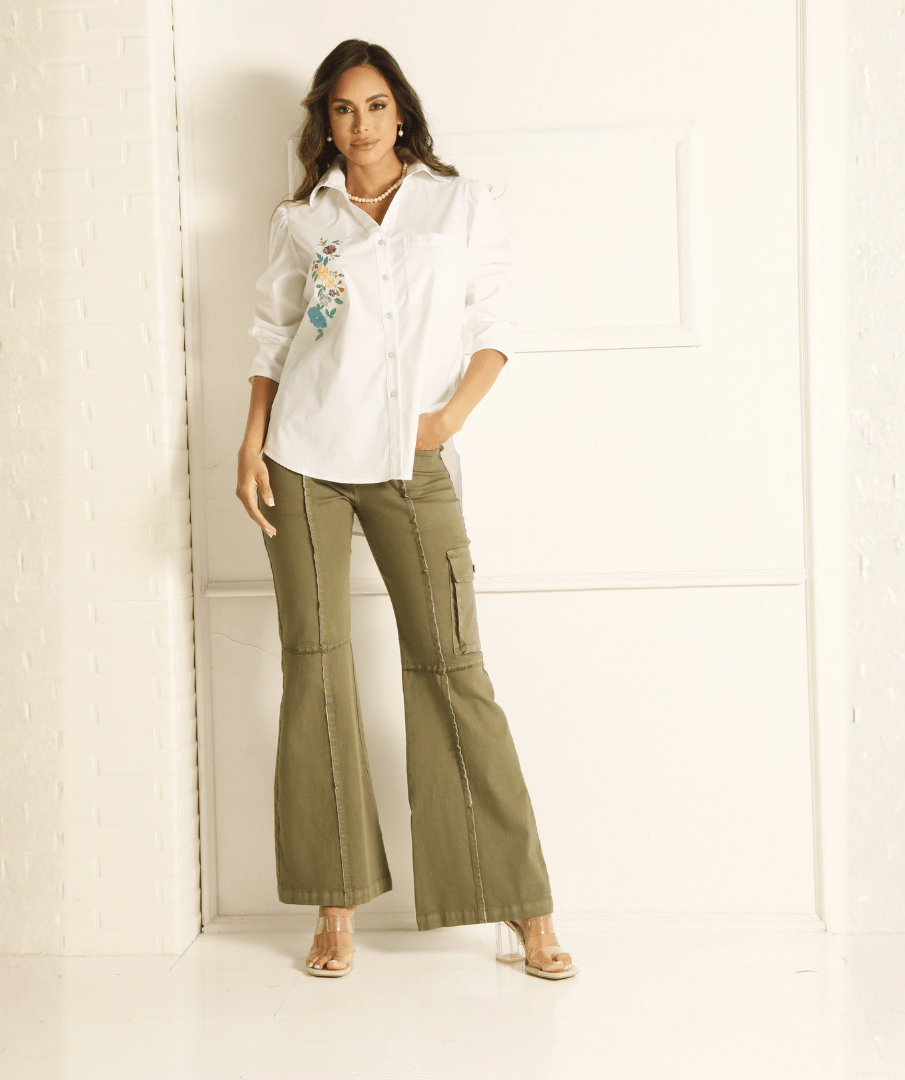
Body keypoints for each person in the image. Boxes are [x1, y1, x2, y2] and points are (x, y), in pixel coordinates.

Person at [236, 38, 577, 981]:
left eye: (376, 105)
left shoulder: (457, 204)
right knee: (315, 667)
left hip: (410, 458)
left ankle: (524, 908)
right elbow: (275, 337)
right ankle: (333, 906)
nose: (361, 124)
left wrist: (448, 419)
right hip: (303, 456)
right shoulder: (303, 220)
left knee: (453, 666)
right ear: (325, 121)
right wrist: (250, 443)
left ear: (402, 113)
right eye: (343, 108)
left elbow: (496, 321)